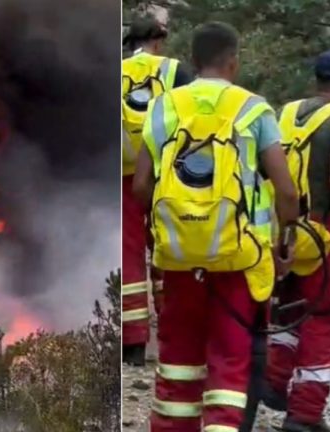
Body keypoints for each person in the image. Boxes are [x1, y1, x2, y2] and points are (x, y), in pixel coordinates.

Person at [133, 21, 299, 431]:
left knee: (178, 359)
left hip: (178, 257)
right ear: (233, 62)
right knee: (230, 356)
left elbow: (140, 186)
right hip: (238, 256)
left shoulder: (164, 106)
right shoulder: (253, 108)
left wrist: (173, 228)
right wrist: (286, 240)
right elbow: (286, 190)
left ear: (192, 61)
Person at [262, 51, 330, 432]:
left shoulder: (285, 112)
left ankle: (272, 383)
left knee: (288, 307)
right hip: (323, 231)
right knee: (323, 316)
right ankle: (305, 414)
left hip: (281, 227)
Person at [121, 17, 194, 366]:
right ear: (158, 41)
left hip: (124, 174)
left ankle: (133, 344)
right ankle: (175, 330)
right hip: (167, 174)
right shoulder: (175, 71)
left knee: (129, 253)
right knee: (170, 248)